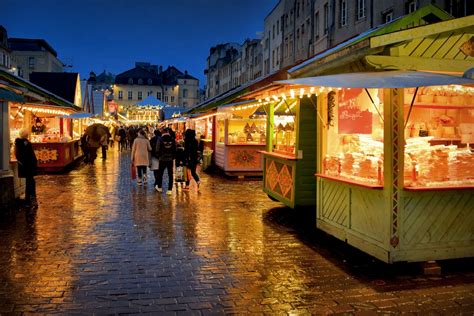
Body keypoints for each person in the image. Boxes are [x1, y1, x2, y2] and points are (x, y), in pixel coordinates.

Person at [15, 129, 38, 208]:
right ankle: (30, 200)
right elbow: (31, 156)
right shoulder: (27, 143)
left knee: (29, 182)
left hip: (23, 166)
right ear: (26, 135)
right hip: (29, 166)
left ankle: (28, 200)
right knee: (30, 182)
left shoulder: (18, 143)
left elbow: (17, 154)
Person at [155, 129, 176, 194]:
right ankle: (169, 189)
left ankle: (159, 187)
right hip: (170, 159)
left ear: (163, 132)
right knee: (170, 174)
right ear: (168, 132)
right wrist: (173, 157)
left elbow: (157, 149)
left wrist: (159, 156)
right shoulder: (172, 139)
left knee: (160, 174)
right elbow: (174, 149)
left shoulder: (160, 139)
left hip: (162, 159)